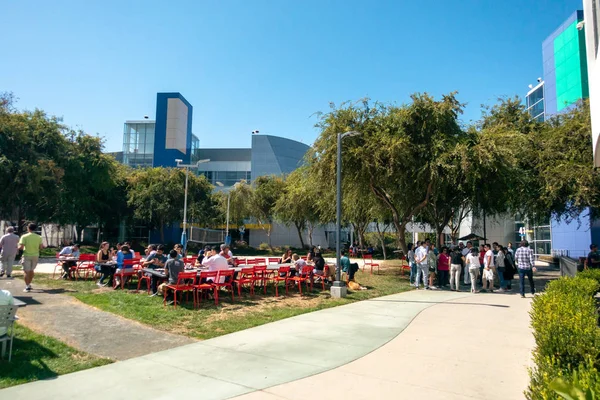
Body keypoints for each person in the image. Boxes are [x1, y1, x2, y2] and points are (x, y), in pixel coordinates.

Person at [18, 223, 44, 292]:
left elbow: (21, 247)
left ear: (28, 228)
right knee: (31, 270)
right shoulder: (39, 237)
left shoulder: (24, 236)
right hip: (35, 255)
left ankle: (27, 286)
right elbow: (41, 247)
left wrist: (17, 247)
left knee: (26, 271)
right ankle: (29, 283)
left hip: (26, 255)